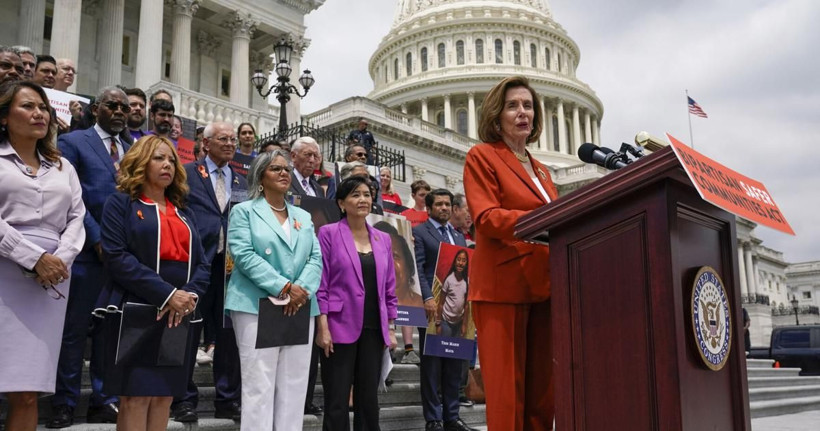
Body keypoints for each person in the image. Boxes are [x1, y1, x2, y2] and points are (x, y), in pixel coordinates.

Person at [462, 75, 558, 431]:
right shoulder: (483, 156)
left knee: (542, 397)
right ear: (496, 115)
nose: (523, 113)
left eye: (528, 106)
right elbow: (486, 218)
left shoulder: (543, 171)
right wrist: (546, 219)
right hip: (503, 287)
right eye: (513, 106)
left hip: (544, 288)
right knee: (507, 398)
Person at [96, 135, 209, 431]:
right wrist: (167, 294)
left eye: (172, 160)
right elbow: (117, 257)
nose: (167, 165)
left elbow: (203, 264)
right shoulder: (121, 202)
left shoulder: (185, 211)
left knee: (163, 396)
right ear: (141, 162)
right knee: (135, 397)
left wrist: (188, 296)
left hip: (180, 314)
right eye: (159, 158)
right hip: (136, 310)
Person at [0, 80, 85, 431]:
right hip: (5, 272)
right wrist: (33, 257)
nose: (39, 114)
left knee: (27, 390)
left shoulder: (64, 167)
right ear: (4, 116)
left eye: (43, 108)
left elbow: (78, 218)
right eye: (28, 106)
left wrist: (59, 260)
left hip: (50, 283)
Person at [49, 86, 132, 428]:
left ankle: (103, 399)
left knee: (110, 332)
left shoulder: (131, 149)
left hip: (122, 259)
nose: (118, 111)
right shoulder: (74, 142)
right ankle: (65, 402)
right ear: (95, 108)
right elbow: (71, 195)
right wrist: (97, 238)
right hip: (85, 253)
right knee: (74, 331)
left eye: (124, 107)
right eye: (111, 105)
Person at [225, 149, 322, 430]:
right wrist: (284, 287)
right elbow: (243, 254)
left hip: (301, 306)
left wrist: (300, 290)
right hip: (256, 304)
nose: (283, 173)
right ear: (260, 176)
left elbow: (315, 258)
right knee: (260, 384)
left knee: (294, 385)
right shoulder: (244, 211)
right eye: (275, 169)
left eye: (286, 169)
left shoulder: (303, 216)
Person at [173, 121, 247, 422]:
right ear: (206, 142)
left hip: (230, 267)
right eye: (223, 139)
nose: (230, 144)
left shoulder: (242, 182)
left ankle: (227, 399)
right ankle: (182, 398)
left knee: (228, 333)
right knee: (188, 331)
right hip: (196, 262)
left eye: (233, 139)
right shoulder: (189, 173)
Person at [315, 176, 398, 431]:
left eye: (366, 194)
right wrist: (323, 327)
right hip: (339, 327)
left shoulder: (383, 238)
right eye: (354, 195)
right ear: (341, 203)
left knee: (368, 399)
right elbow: (322, 283)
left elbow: (389, 288)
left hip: (374, 328)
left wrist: (392, 327)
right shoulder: (328, 233)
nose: (362, 199)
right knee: (337, 399)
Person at [413, 188, 475, 431]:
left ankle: (452, 416)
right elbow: (418, 268)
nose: (444, 208)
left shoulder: (459, 237)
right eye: (438, 204)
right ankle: (433, 418)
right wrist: (427, 297)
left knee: (453, 365)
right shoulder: (420, 232)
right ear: (429, 208)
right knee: (432, 367)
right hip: (430, 309)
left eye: (448, 204)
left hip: (457, 310)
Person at [436, 250, 470, 338]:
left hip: (458, 323)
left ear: (466, 263)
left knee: (455, 349)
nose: (461, 263)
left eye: (463, 260)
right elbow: (441, 303)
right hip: (446, 322)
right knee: (444, 348)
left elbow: (466, 306)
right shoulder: (449, 280)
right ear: (455, 261)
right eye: (458, 259)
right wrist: (438, 324)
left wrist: (464, 325)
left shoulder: (467, 282)